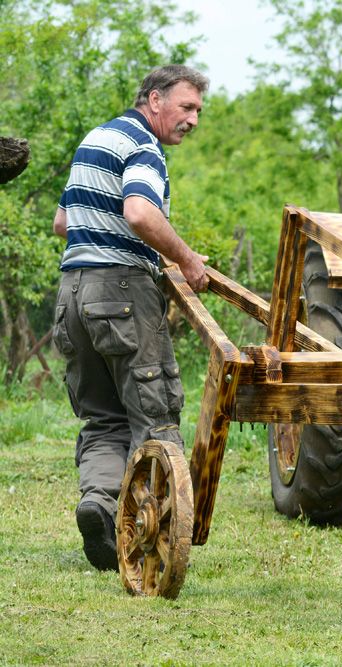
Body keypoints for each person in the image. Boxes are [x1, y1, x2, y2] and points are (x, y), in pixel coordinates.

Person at [52, 65, 210, 571]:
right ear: (154, 99)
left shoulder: (95, 138)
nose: (193, 120)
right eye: (186, 107)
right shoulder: (143, 145)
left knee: (103, 418)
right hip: (121, 291)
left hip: (72, 293)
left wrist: (100, 240)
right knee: (154, 412)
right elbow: (140, 213)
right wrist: (186, 258)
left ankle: (98, 505)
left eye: (199, 112)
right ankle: (154, 538)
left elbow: (63, 222)